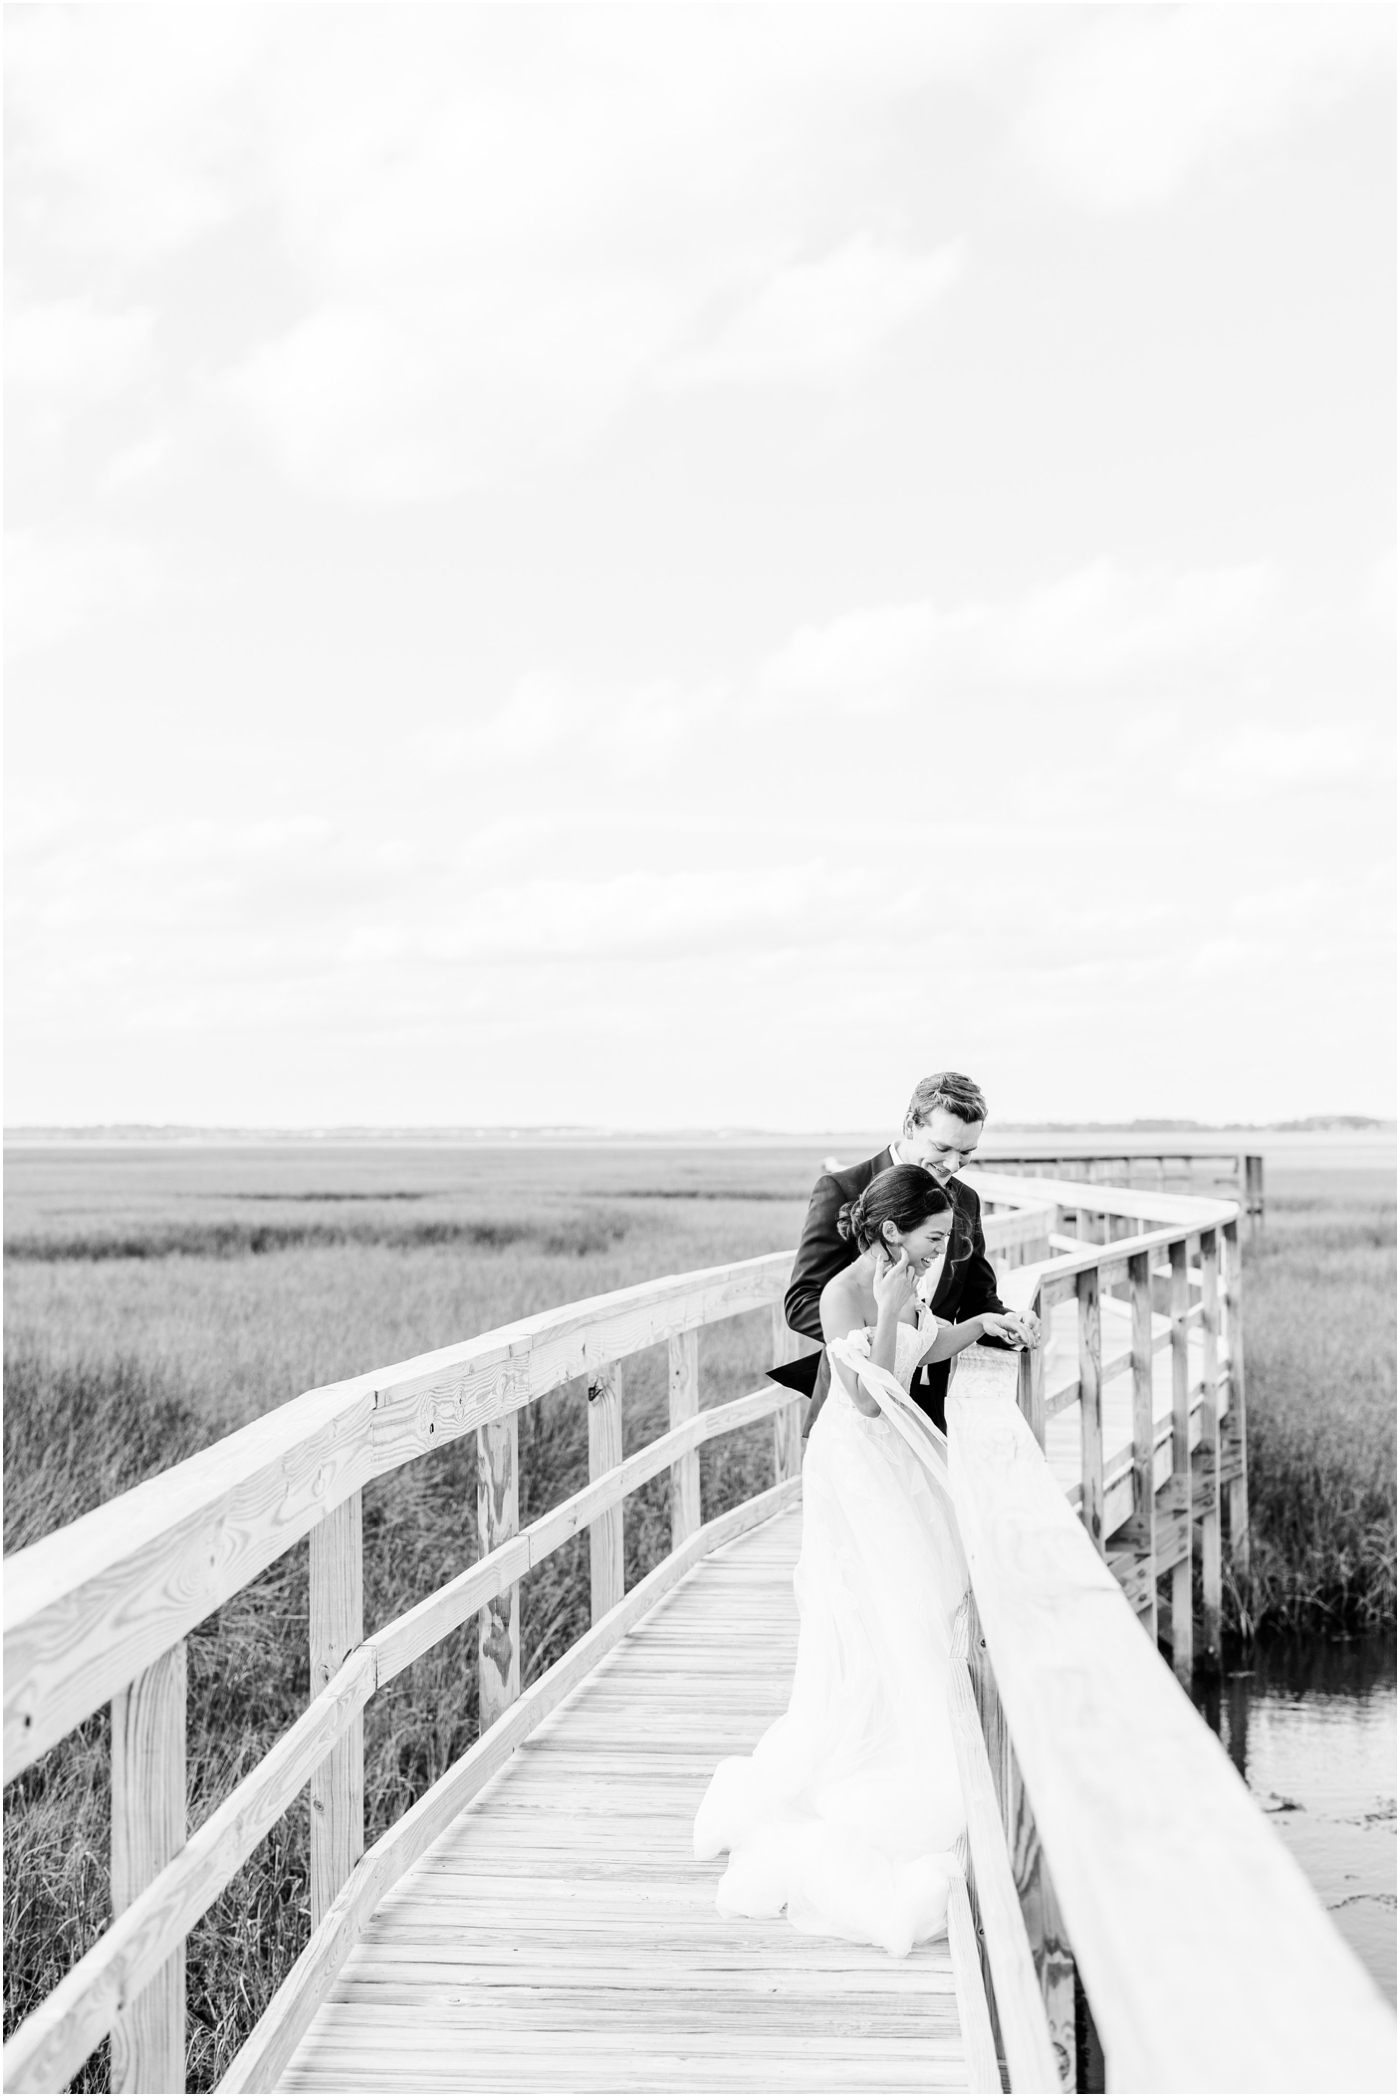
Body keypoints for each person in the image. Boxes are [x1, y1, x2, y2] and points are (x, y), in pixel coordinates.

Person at [694, 1166, 1031, 1955]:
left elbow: (925, 1341)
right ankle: (908, 1756)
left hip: (897, 1457)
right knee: (889, 1602)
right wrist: (888, 1309)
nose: (942, 1252)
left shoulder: (904, 1277)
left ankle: (925, 1737)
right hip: (855, 1460)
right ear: (890, 1230)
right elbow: (874, 1390)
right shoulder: (852, 1291)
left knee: (928, 1591)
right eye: (933, 1239)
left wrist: (983, 1323)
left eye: (946, 1242)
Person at [780, 1070, 1038, 1434]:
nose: (952, 1165)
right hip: (858, 1407)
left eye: (966, 1153)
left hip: (937, 1406)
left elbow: (979, 1299)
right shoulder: (843, 1188)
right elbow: (802, 1301)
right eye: (942, 1148)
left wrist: (1008, 1324)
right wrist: (892, 1334)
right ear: (910, 1125)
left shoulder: (966, 1200)